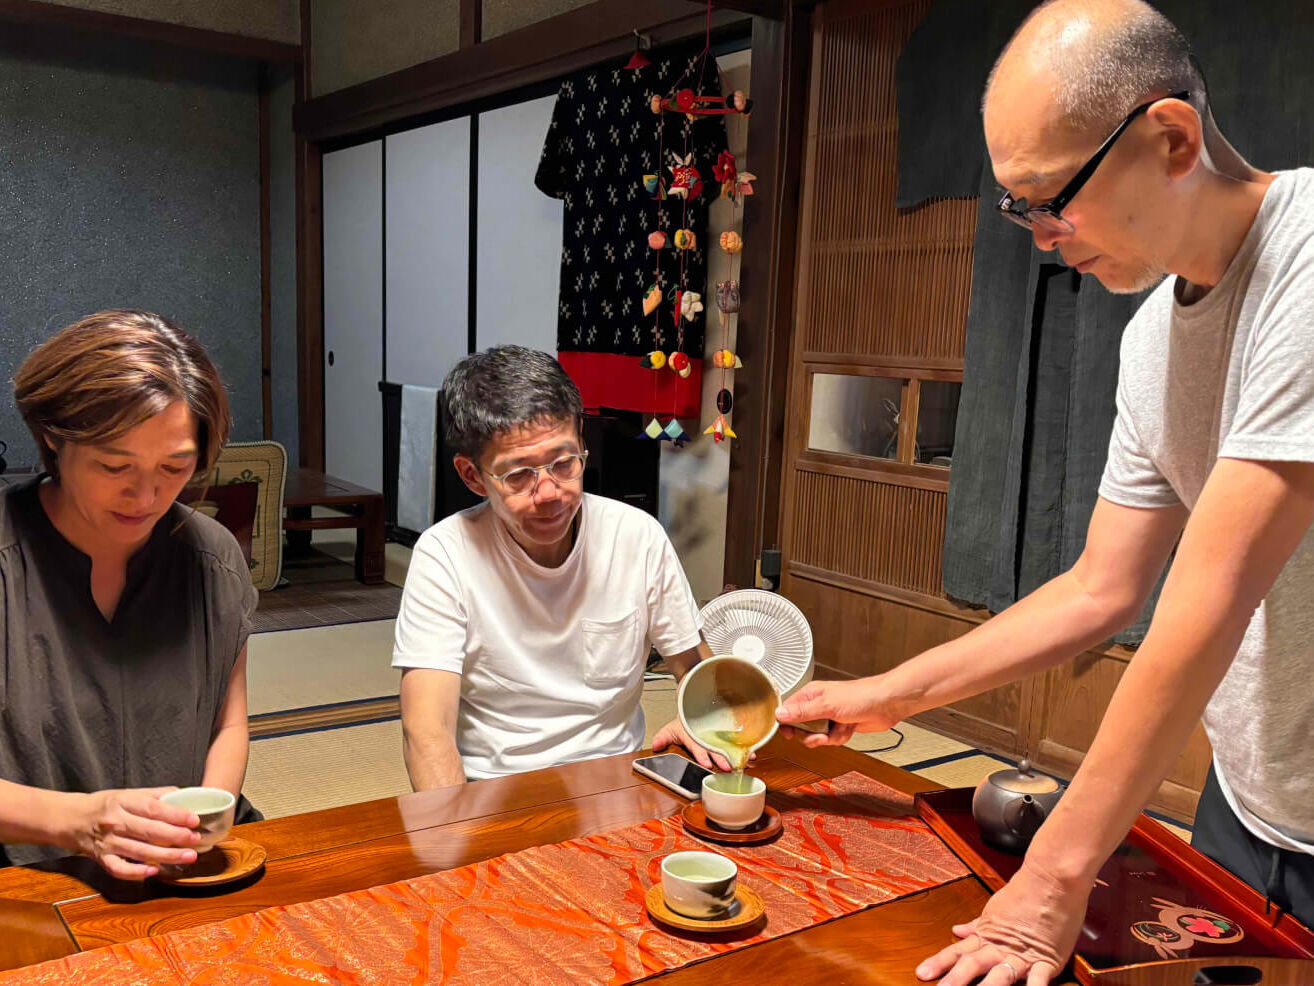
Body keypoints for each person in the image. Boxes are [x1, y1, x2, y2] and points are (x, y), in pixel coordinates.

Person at [777, 1, 1314, 983]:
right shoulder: (1154, 338)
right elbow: (1100, 590)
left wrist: (1057, 875)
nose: (1037, 234)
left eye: (1049, 199)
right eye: (1018, 207)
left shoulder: (1309, 265)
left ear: (1170, 137)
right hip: (1253, 794)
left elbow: (1201, 608)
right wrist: (880, 694)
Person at [0, 310, 259, 879]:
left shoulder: (210, 556)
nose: (146, 495)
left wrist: (204, 819)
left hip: (185, 862)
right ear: (52, 436)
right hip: (33, 871)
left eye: (175, 466)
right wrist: (80, 821)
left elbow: (228, 724)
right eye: (114, 465)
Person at [394, 346, 725, 789]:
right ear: (472, 476)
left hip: (615, 780)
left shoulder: (636, 536)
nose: (549, 492)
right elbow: (426, 731)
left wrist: (702, 723)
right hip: (493, 788)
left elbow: (693, 666)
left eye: (564, 463)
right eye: (518, 475)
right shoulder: (445, 555)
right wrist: (457, 842)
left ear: (581, 441)